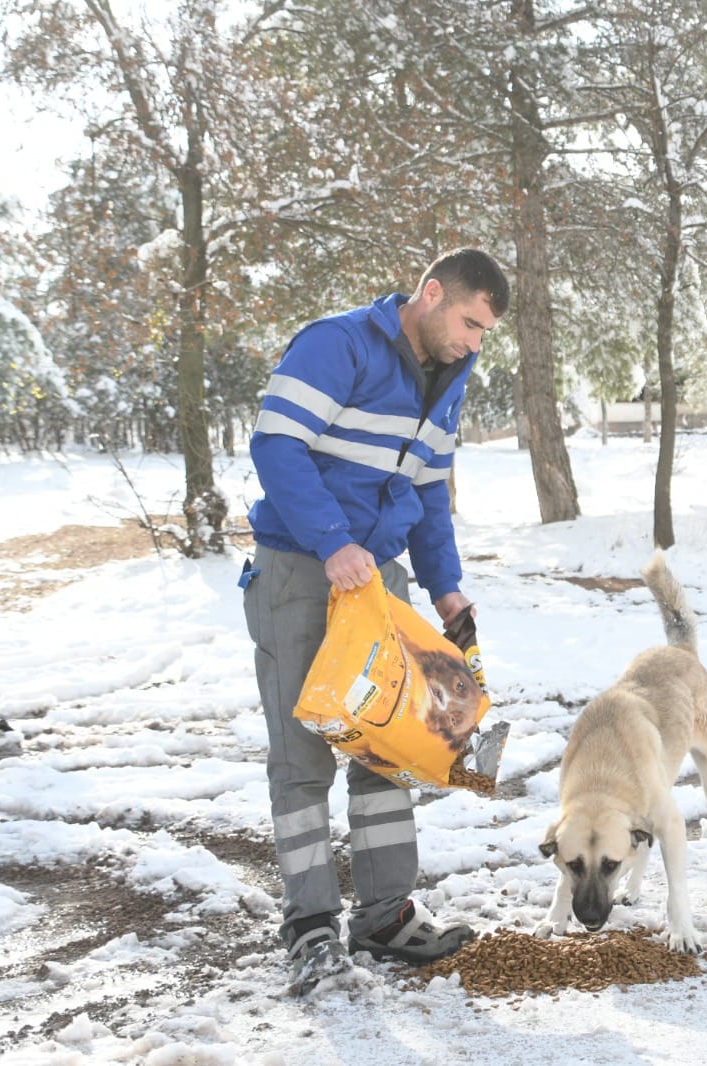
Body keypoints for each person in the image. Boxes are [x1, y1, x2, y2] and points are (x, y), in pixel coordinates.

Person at [240, 248, 510, 995]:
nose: (475, 342)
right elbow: (277, 443)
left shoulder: (448, 375)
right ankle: (311, 929)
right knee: (304, 758)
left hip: (377, 582)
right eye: (468, 322)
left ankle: (385, 917)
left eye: (485, 331)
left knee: (390, 744)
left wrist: (446, 589)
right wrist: (332, 542)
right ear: (429, 294)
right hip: (301, 570)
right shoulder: (337, 343)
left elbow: (427, 495)